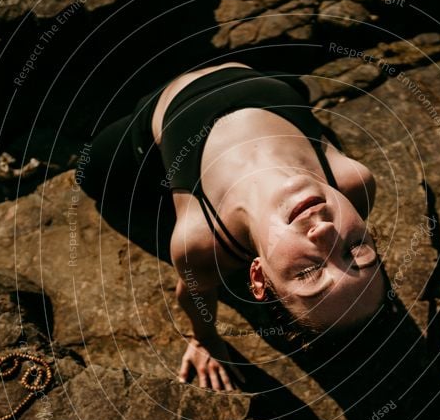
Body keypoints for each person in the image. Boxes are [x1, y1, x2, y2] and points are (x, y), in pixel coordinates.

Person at [82, 62, 388, 391]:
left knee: (89, 176)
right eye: (355, 249)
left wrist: (205, 340)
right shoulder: (353, 183)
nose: (326, 233)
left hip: (163, 108)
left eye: (308, 271)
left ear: (257, 275)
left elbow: (193, 293)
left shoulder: (198, 239)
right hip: (254, 73)